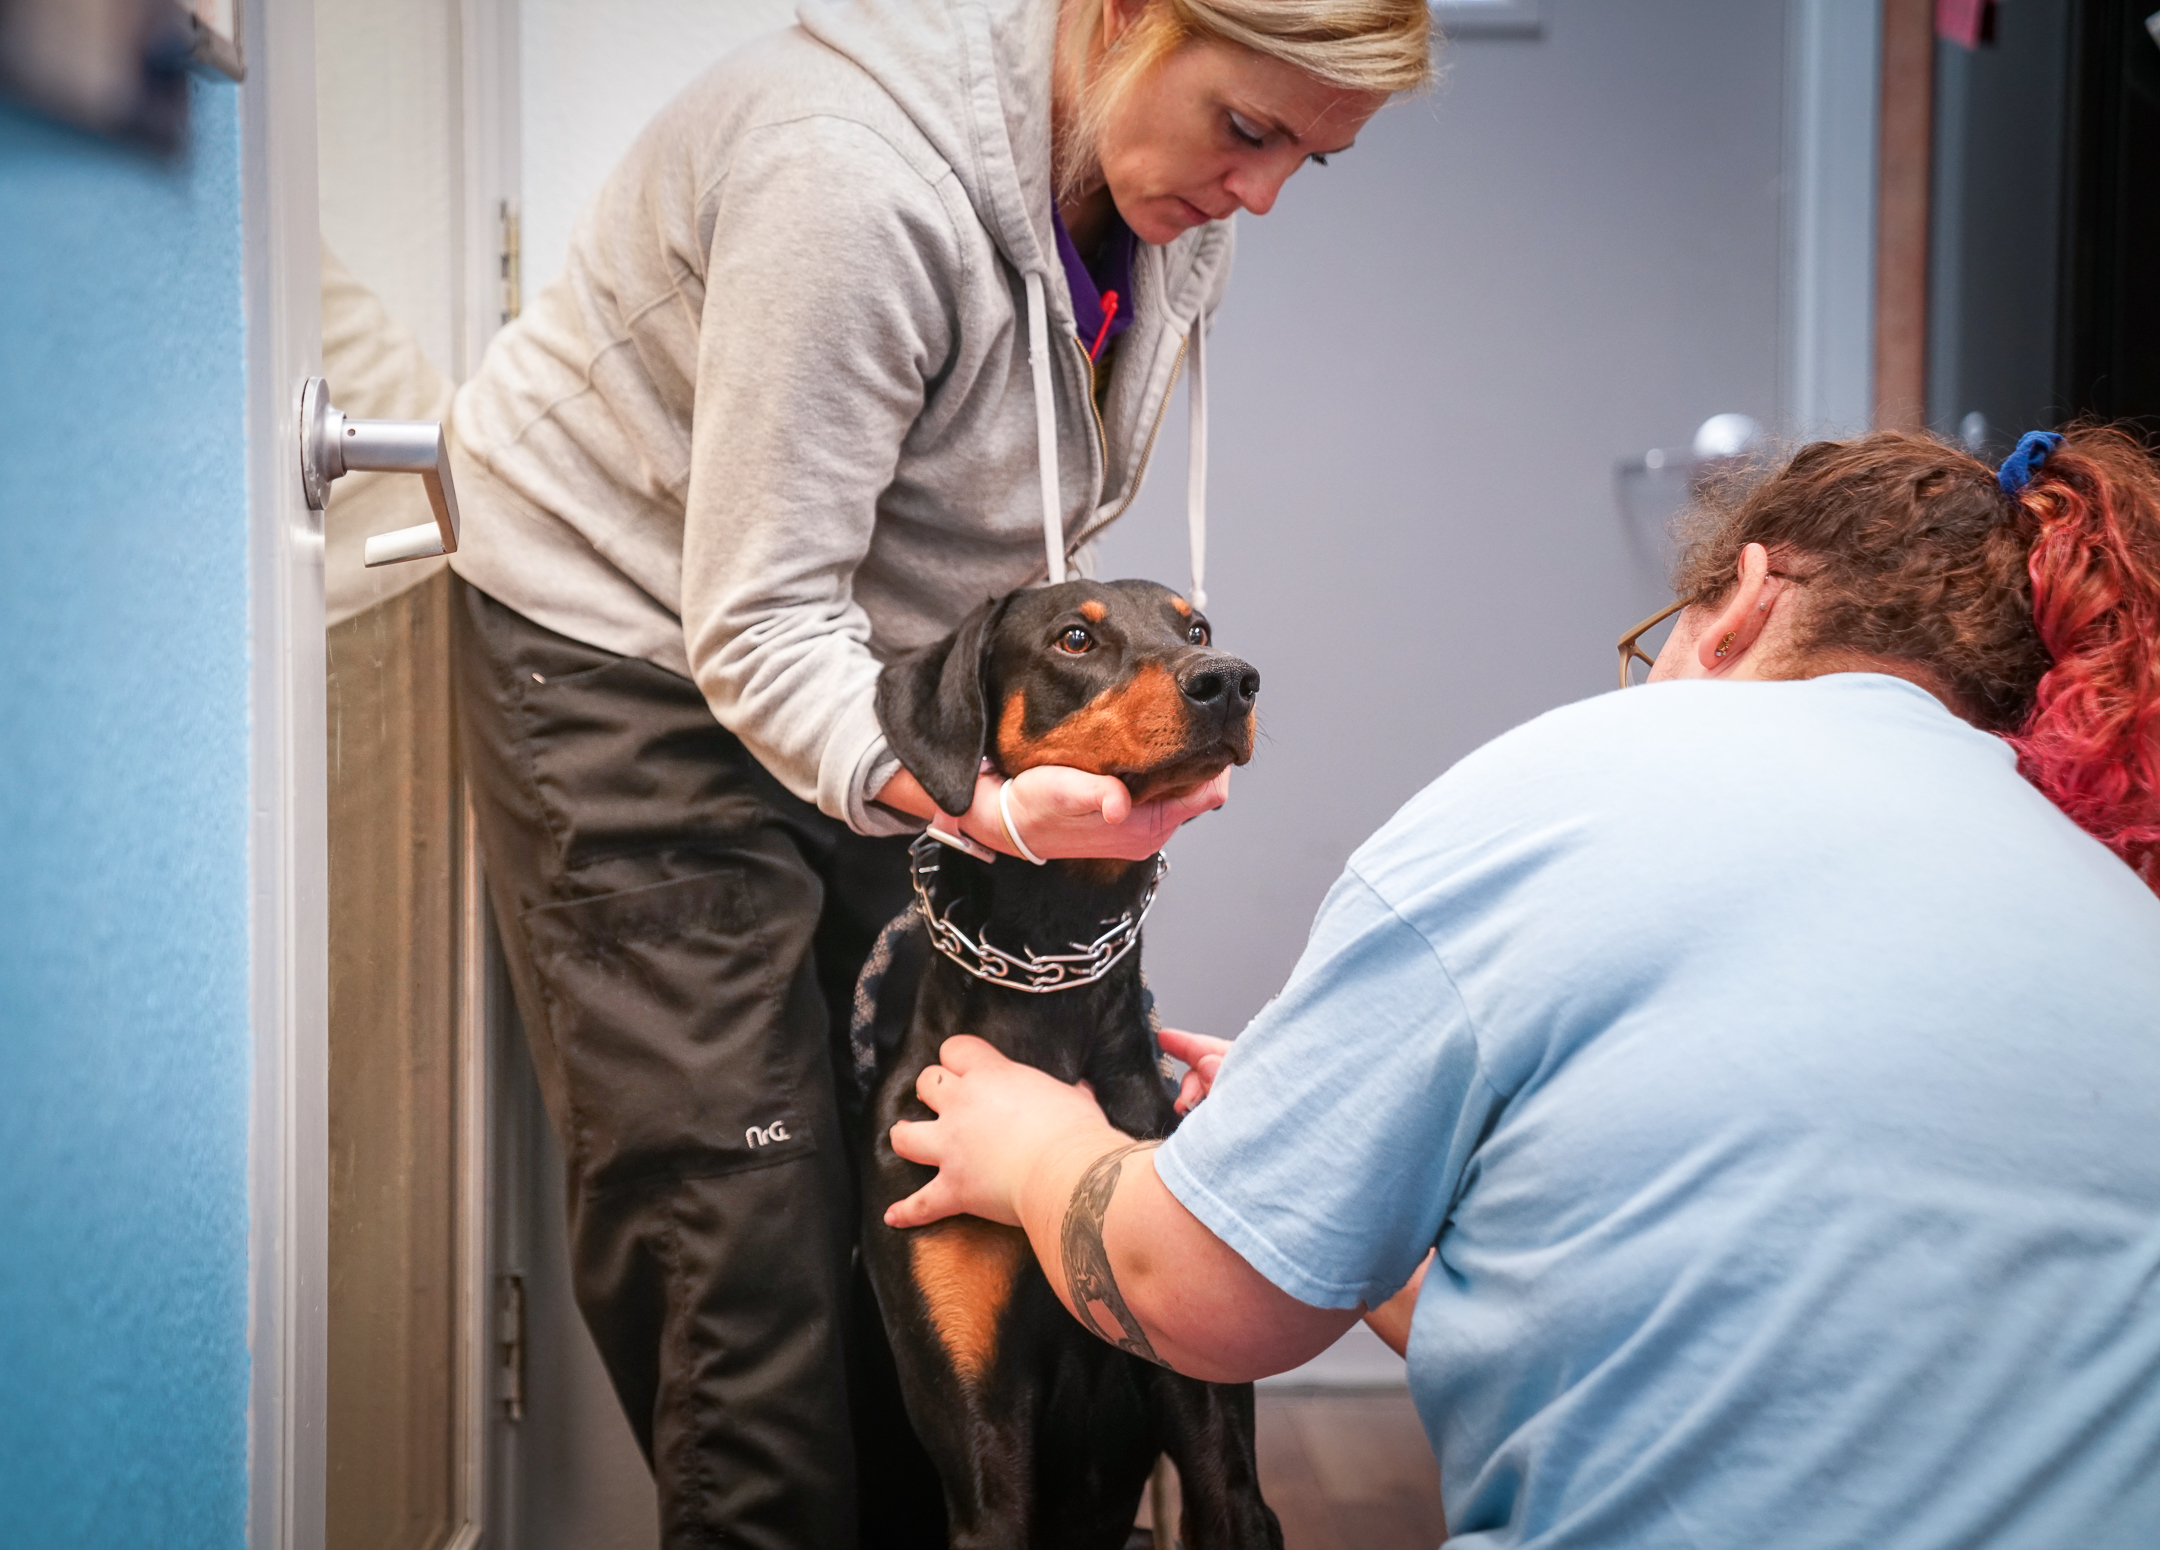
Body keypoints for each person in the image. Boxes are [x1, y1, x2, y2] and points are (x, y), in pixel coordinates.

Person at [441, 0, 1432, 1544]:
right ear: (1121, 20)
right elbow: (759, 621)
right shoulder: (849, 181)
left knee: (911, 1202)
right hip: (633, 646)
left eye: (1316, 157)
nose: (1262, 196)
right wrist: (982, 798)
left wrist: (1011, 756)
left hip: (874, 670)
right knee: (745, 1240)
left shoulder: (1159, 185)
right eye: (1250, 128)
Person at [888, 426, 2160, 1547]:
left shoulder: (1588, 780)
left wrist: (1042, 1145)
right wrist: (1338, 1220)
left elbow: (1195, 1297)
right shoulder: (2112, 904)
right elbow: (1698, 1343)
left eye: (1656, 640)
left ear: (1746, 602)